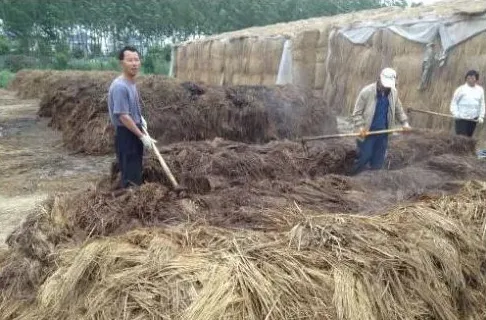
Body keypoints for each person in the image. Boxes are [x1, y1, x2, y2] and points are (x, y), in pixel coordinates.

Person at [108, 45, 155, 188]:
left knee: (135, 172)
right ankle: (129, 204)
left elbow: (130, 110)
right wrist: (141, 136)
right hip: (126, 135)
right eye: (130, 60)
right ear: (122, 63)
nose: (134, 63)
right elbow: (123, 116)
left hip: (133, 131)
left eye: (137, 60)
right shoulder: (120, 86)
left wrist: (141, 120)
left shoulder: (131, 83)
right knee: (131, 179)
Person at [351, 68, 411, 175]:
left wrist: (405, 123)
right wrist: (360, 127)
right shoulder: (367, 92)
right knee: (365, 157)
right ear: (379, 79)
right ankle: (352, 178)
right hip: (367, 133)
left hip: (383, 133)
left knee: (378, 162)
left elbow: (399, 110)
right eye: (384, 84)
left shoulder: (393, 93)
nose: (385, 87)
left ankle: (372, 184)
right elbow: (357, 113)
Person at [450, 70, 485, 137]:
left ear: (476, 79)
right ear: (466, 78)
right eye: (468, 78)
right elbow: (453, 103)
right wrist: (456, 114)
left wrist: (481, 116)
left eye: (472, 78)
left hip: (473, 119)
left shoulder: (480, 90)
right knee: (461, 138)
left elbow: (482, 104)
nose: (470, 80)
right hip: (461, 118)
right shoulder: (460, 89)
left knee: (469, 138)